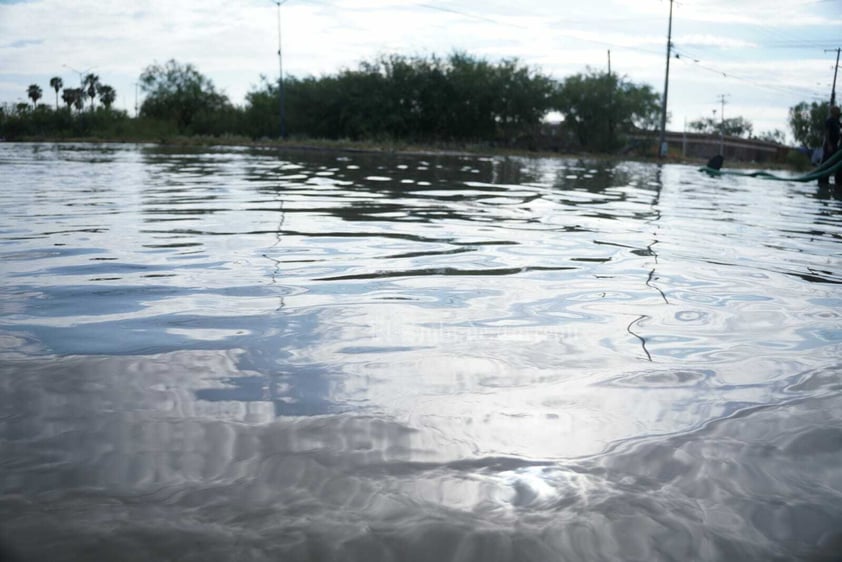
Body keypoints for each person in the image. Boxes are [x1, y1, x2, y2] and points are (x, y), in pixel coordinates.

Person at [818, 105, 841, 185]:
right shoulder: (829, 120)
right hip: (829, 145)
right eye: (838, 110)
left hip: (835, 145)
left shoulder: (837, 121)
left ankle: (838, 181)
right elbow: (827, 133)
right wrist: (829, 144)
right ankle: (822, 180)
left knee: (835, 163)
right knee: (827, 162)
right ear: (833, 112)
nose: (839, 112)